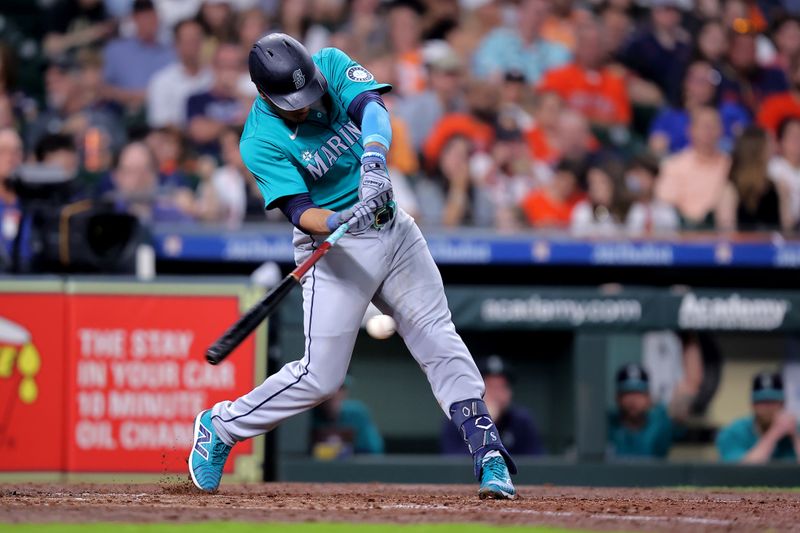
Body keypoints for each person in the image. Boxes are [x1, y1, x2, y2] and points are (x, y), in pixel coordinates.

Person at [188, 33, 518, 500]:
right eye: (292, 102)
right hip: (336, 249)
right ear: (265, 96)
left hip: (395, 229)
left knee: (438, 338)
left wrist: (375, 160)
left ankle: (489, 457)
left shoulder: (329, 62)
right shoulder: (259, 140)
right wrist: (338, 218)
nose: (306, 104)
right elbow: (300, 212)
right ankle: (220, 426)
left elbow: (373, 108)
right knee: (320, 377)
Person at [441, 355, 544, 457]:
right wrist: (485, 423)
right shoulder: (458, 419)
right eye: (490, 387)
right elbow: (455, 465)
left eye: (501, 387)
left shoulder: (521, 421)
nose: (496, 394)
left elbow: (536, 465)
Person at [538, 17, 630, 127]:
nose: (591, 49)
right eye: (586, 43)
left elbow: (623, 124)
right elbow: (542, 114)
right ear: (576, 45)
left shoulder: (615, 82)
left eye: (596, 44)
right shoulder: (557, 76)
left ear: (603, 48)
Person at [648, 60, 750, 156]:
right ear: (685, 83)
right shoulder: (668, 118)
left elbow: (748, 144)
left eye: (710, 80)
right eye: (698, 80)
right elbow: (657, 150)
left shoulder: (731, 112)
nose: (705, 85)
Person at [655, 106, 731, 229]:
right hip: (684, 232)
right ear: (690, 130)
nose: (708, 131)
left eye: (713, 126)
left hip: (722, 232)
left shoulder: (731, 165)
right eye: (704, 126)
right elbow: (665, 203)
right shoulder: (674, 165)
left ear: (721, 130)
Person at [607, 362, 699, 459]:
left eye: (639, 393)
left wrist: (685, 395)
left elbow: (692, 383)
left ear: (649, 398)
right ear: (617, 398)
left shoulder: (661, 421)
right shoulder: (606, 425)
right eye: (627, 393)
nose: (633, 400)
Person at [472, 0, 571, 84]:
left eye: (544, 13)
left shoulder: (554, 50)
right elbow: (485, 69)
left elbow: (561, 76)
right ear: (521, 12)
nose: (539, 18)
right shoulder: (497, 40)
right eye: (536, 12)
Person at [101, 0, 175, 112]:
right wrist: (131, 96)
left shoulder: (171, 51)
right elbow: (102, 88)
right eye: (144, 18)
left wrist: (147, 96)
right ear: (134, 19)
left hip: (164, 113)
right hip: (124, 114)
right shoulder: (115, 50)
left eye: (152, 17)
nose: (149, 22)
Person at [618, 0, 692, 107]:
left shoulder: (685, 47)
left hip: (678, 103)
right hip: (647, 105)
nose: (671, 15)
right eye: (666, 10)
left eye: (675, 10)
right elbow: (622, 70)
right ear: (655, 13)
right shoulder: (640, 44)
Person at [716, 371, 800, 463]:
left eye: (773, 401)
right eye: (762, 401)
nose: (768, 408)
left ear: (782, 404)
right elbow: (740, 472)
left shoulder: (796, 429)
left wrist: (795, 437)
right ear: (753, 404)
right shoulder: (734, 433)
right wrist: (774, 433)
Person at [186, 42, 250, 157]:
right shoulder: (197, 99)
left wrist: (236, 92)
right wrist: (234, 122)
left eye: (233, 66)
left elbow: (257, 120)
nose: (228, 72)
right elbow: (199, 133)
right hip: (209, 158)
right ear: (214, 67)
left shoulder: (247, 98)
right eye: (224, 65)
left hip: (243, 157)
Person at [147, 19, 213, 128]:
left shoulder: (214, 77)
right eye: (188, 41)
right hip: (175, 140)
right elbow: (161, 123)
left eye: (196, 40)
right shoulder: (161, 81)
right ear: (176, 45)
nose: (193, 46)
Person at [311, 379, 384, 457]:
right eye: (329, 389)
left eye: (340, 388)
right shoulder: (307, 414)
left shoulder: (356, 414)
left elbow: (374, 453)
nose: (334, 394)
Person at [521, 158, 586, 229]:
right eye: (563, 180)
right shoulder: (532, 200)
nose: (565, 186)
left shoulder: (580, 202)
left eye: (570, 184)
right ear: (556, 177)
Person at [624, 152, 679, 235]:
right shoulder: (621, 207)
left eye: (644, 176)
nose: (640, 181)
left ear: (654, 179)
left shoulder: (666, 210)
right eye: (636, 175)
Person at [570, 160, 629, 237]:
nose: (595, 188)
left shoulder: (631, 209)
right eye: (592, 183)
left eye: (601, 182)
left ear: (614, 183)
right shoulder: (583, 210)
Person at [768, 117, 800, 228]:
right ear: (780, 141)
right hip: (779, 228)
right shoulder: (772, 168)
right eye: (793, 136)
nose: (797, 141)